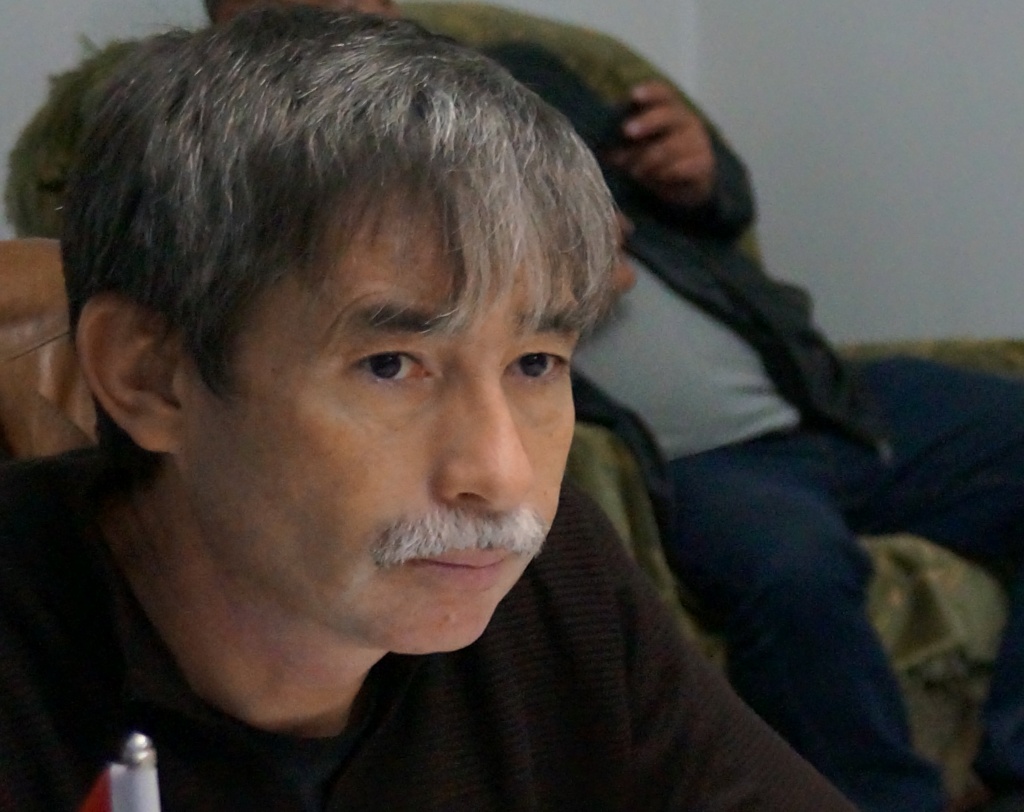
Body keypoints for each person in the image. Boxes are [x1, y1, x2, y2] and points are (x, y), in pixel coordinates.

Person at [0, 8, 857, 811]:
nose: (500, 476)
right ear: (150, 376)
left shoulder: (548, 583)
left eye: (535, 363)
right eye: (390, 366)